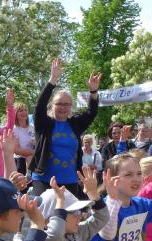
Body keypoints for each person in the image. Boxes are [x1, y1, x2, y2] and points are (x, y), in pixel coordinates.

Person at [29, 58, 101, 199]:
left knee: (70, 213)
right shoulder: (44, 124)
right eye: (59, 104)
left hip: (69, 181)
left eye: (66, 104)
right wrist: (53, 80)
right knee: (44, 212)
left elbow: (91, 112)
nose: (63, 107)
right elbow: (39, 106)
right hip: (44, 180)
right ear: (52, 106)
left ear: (70, 107)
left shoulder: (75, 124)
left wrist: (93, 91)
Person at [12, 102, 35, 175]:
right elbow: (16, 150)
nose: (24, 112)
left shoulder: (32, 127)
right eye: (21, 110)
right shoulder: (14, 129)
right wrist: (33, 152)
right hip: (20, 159)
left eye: (25, 110)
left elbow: (36, 142)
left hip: (33, 158)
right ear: (15, 114)